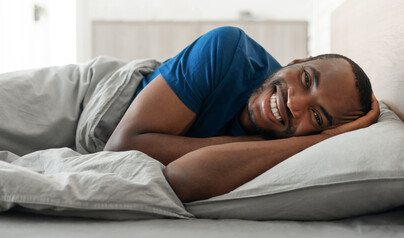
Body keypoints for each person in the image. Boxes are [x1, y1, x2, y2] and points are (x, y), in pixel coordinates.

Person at [104, 26, 380, 202]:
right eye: (306, 79)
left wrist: (315, 142)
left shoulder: (288, 148)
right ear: (295, 62)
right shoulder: (226, 48)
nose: (294, 103)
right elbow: (120, 149)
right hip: (96, 95)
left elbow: (183, 179)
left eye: (317, 117)